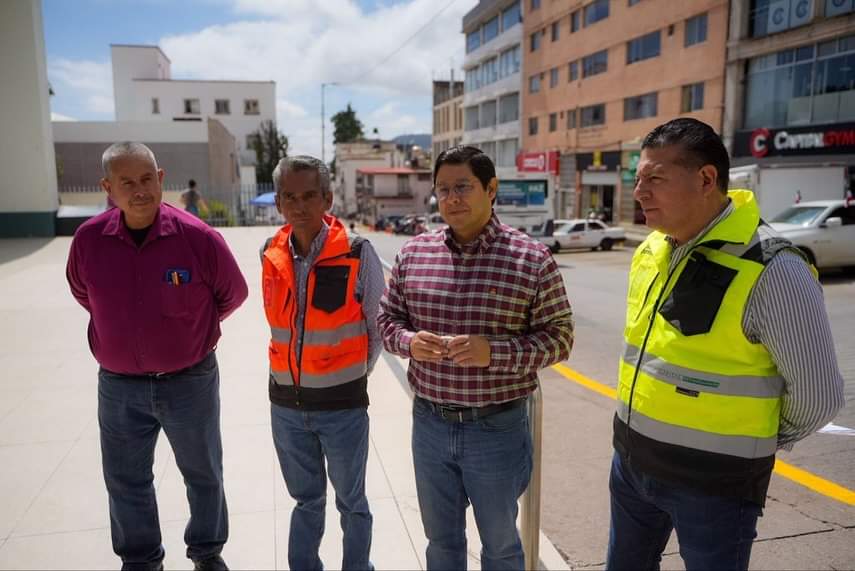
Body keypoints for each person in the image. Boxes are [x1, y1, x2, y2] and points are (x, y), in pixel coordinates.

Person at [608, 118, 844, 570]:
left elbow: (819, 398)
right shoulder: (652, 250)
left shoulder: (773, 269)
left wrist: (745, 442)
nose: (640, 192)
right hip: (632, 467)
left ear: (706, 179)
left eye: (655, 179)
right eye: (639, 178)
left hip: (714, 487)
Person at [378, 145, 575, 571]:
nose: (452, 198)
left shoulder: (530, 259)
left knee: (501, 546)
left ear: (491, 189)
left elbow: (560, 339)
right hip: (429, 424)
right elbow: (386, 321)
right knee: (441, 543)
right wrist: (409, 342)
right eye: (443, 189)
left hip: (496, 429)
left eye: (463, 187)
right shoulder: (414, 254)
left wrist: (494, 352)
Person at [66, 142, 248, 571]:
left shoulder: (198, 238)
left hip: (189, 381)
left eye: (147, 179)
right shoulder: (89, 240)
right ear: (108, 187)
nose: (140, 190)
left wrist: (189, 329)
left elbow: (233, 294)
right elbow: (82, 292)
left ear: (161, 178)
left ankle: (207, 553)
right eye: (127, 182)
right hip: (118, 386)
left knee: (203, 474)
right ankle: (141, 560)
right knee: (126, 480)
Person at [261, 155, 385, 571]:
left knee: (352, 502)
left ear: (327, 198)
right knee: (306, 501)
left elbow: (376, 326)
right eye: (290, 197)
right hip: (287, 409)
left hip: (343, 409)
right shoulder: (270, 253)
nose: (299, 205)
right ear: (279, 202)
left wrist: (349, 377)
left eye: (309, 195)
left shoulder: (356, 253)